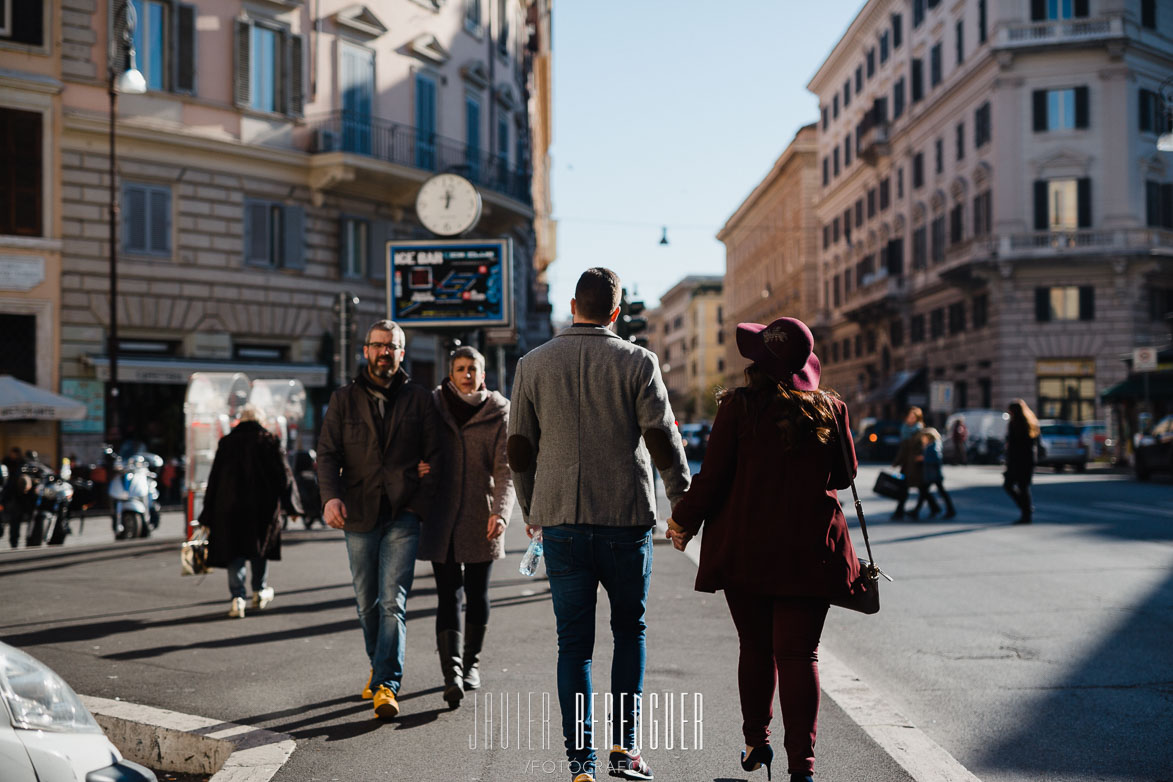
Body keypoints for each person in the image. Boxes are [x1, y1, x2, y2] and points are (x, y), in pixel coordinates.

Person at [508, 267, 690, 782]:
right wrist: (682, 504)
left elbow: (519, 448)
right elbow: (661, 439)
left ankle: (580, 765)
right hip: (625, 519)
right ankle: (624, 750)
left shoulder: (532, 364)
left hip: (561, 519)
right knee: (629, 631)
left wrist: (532, 509)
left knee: (574, 646)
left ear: (572, 305)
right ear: (615, 311)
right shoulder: (638, 361)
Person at [665, 317, 858, 782]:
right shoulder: (830, 407)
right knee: (799, 656)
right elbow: (845, 475)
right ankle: (802, 770)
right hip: (811, 550)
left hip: (747, 548)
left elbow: (712, 478)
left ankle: (757, 743)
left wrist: (681, 522)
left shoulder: (738, 407)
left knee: (755, 646)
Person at [317, 319, 443, 721]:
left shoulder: (419, 398)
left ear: (401, 353)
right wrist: (330, 497)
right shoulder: (343, 399)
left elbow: (436, 455)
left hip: (403, 514)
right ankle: (379, 664)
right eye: (378, 345)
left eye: (392, 346)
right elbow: (327, 455)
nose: (384, 352)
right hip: (357, 512)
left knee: (393, 602)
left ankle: (387, 682)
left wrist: (419, 503)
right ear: (366, 350)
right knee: (366, 602)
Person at [416, 346, 515, 708]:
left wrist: (501, 513)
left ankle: (471, 664)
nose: (467, 374)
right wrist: (416, 467)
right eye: (460, 368)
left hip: (480, 513)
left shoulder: (499, 411)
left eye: (472, 368)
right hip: (440, 515)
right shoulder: (433, 405)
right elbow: (414, 446)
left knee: (477, 593)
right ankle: (451, 673)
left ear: (482, 374)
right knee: (447, 594)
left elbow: (506, 469)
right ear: (451, 373)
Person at [199, 405, 300, 618]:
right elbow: (284, 476)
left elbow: (214, 479)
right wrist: (292, 507)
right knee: (259, 548)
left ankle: (237, 598)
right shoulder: (269, 441)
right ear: (261, 420)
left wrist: (206, 514)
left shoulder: (226, 443)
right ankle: (259, 590)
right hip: (261, 507)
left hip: (228, 506)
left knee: (233, 550)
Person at [891, 406, 938, 520]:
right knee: (910, 488)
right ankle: (901, 511)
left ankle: (901, 511)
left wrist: (922, 457)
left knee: (920, 488)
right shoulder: (905, 430)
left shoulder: (920, 432)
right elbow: (903, 450)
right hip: (907, 465)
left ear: (918, 419)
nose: (910, 419)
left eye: (913, 417)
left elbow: (924, 448)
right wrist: (897, 462)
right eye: (909, 417)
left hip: (917, 466)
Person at [1004, 399, 1040, 525]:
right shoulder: (1031, 423)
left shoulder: (1015, 424)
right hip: (1028, 459)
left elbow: (1013, 446)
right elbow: (1036, 442)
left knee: (1011, 485)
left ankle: (1026, 511)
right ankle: (1026, 511)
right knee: (1023, 487)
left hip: (1017, 460)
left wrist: (1008, 463)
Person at [912, 427, 955, 519]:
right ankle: (938, 509)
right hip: (931, 474)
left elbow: (936, 457)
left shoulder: (934, 445)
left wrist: (923, 458)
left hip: (933, 474)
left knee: (928, 492)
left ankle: (948, 510)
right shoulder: (932, 445)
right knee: (925, 492)